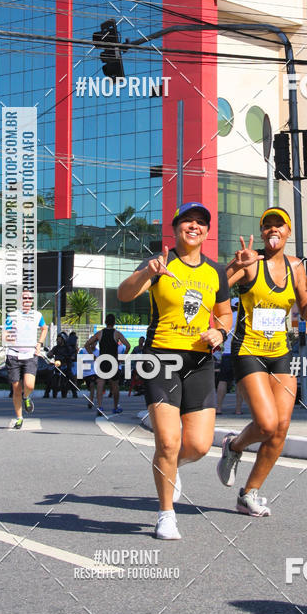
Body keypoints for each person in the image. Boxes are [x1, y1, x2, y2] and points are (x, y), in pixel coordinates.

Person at [118, 201, 232, 541]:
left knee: (197, 446)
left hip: (200, 362)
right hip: (161, 359)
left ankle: (172, 467)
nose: (194, 226)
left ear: (207, 232)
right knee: (168, 441)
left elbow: (225, 315)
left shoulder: (216, 272)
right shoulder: (159, 263)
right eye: (187, 221)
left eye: (201, 222)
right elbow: (124, 294)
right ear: (176, 227)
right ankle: (166, 514)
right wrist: (146, 273)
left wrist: (221, 331)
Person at [217, 207, 307, 516]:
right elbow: (213, 288)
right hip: (248, 348)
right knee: (265, 423)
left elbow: (306, 315)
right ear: (262, 232)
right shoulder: (252, 263)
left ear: (288, 232)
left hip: (280, 351)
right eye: (268, 226)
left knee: (281, 428)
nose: (273, 230)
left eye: (280, 225)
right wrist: (236, 264)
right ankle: (234, 446)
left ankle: (248, 494)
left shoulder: (297, 267)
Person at [3, 290, 48, 428]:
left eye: (29, 298)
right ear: (20, 300)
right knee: (16, 388)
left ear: (32, 301)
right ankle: (19, 418)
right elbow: (5, 332)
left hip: (30, 355)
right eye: (24, 298)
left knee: (29, 385)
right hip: (14, 355)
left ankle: (26, 397)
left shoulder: (37, 315)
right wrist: (9, 337)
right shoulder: (13, 315)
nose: (27, 300)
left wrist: (39, 344)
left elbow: (44, 328)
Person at [85, 315, 130, 415]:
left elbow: (87, 344)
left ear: (105, 322)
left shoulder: (100, 333)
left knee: (100, 385)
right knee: (115, 386)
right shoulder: (117, 334)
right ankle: (115, 407)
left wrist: (94, 358)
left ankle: (100, 407)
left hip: (102, 361)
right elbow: (128, 346)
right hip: (113, 361)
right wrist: (121, 358)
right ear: (114, 322)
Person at [216, 300, 244, 415]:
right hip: (240, 353)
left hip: (227, 353)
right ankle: (238, 410)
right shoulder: (244, 318)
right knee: (239, 383)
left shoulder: (227, 318)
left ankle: (218, 408)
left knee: (223, 381)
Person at [46, 334, 68, 398]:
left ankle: (74, 393)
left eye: (59, 339)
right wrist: (49, 354)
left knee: (70, 377)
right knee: (50, 377)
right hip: (57, 364)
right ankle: (46, 393)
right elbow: (50, 353)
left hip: (65, 364)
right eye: (57, 339)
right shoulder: (56, 347)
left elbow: (71, 354)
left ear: (63, 339)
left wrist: (70, 357)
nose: (58, 340)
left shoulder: (67, 348)